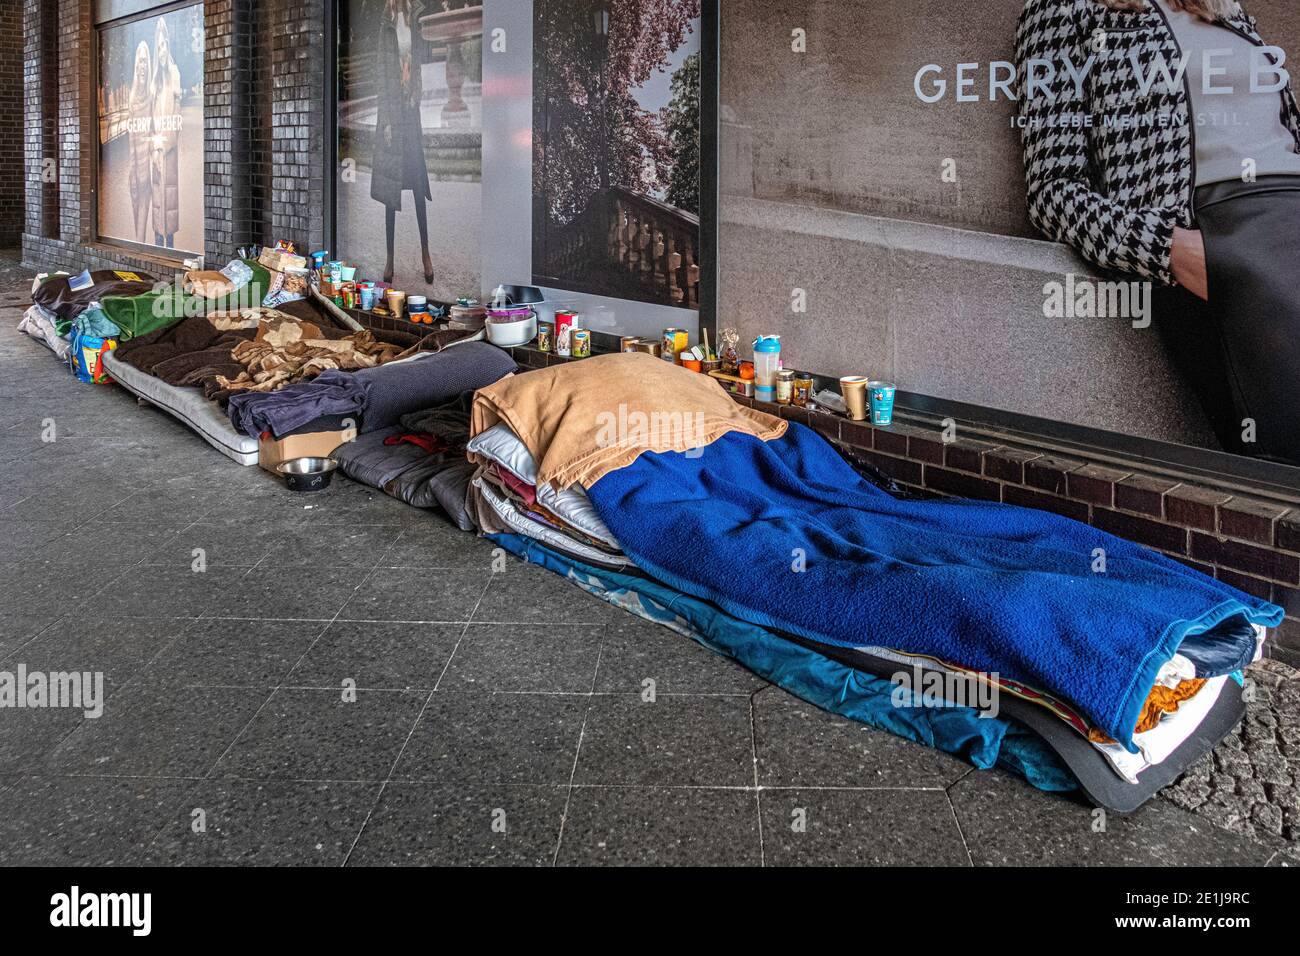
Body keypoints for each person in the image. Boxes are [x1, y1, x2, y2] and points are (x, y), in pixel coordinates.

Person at [1016, 0, 1300, 465]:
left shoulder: (1222, 8)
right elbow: (1052, 192)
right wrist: (1168, 249)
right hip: (1217, 231)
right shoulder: (1065, 11)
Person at [371, 0, 435, 285]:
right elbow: (381, 75)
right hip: (393, 115)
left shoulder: (416, 15)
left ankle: (426, 254)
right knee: (390, 190)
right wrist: (385, 120)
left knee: (418, 186)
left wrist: (415, 90)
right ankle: (389, 259)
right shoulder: (386, 23)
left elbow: (424, 58)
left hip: (412, 111)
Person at [150, 16, 182, 250]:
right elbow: (150, 123)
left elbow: (176, 118)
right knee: (157, 199)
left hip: (167, 151)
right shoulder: (155, 82)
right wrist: (153, 146)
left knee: (168, 199)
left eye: (164, 45)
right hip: (155, 151)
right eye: (158, 46)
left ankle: (169, 243)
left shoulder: (174, 73)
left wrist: (163, 145)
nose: (161, 51)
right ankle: (157, 241)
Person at [127, 40, 153, 244]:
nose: (142, 66)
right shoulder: (132, 96)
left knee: (144, 202)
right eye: (139, 62)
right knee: (136, 200)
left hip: (148, 166)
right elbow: (131, 136)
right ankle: (137, 242)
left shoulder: (152, 95)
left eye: (145, 61)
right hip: (134, 165)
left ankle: (140, 243)